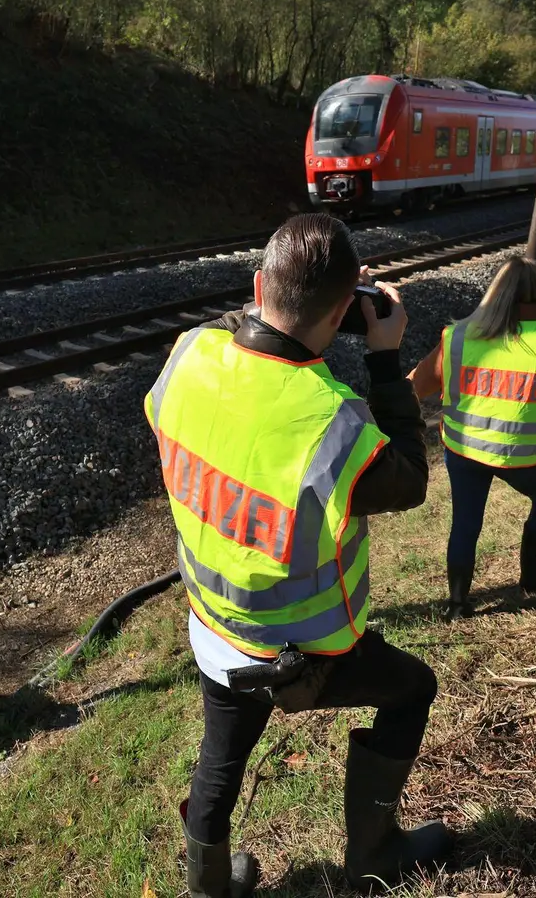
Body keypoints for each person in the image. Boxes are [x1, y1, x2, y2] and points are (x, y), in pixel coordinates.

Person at [145, 214, 450, 898]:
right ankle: (375, 854)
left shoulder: (190, 354)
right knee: (413, 690)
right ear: (346, 309)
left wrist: (309, 296)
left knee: (221, 758)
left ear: (257, 287)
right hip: (306, 656)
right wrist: (380, 354)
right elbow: (409, 478)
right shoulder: (333, 423)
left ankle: (209, 887)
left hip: (215, 627)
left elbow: (236, 328)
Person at [408, 257, 536, 620]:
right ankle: (533, 578)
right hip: (527, 457)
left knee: (466, 522)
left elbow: (416, 386)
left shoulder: (458, 337)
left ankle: (457, 604)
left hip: (463, 450)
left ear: (495, 292)